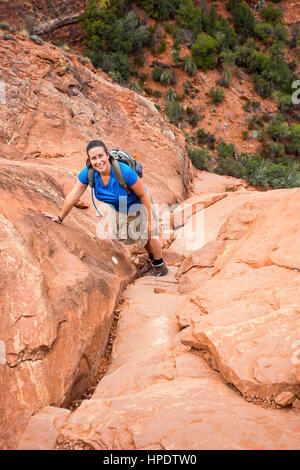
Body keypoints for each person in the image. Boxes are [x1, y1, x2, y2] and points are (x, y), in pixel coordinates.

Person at [42, 140, 168, 277]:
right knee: (133, 235)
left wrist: (150, 221)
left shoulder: (124, 171)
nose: (98, 161)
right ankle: (151, 258)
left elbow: (143, 195)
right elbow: (73, 196)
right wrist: (60, 217)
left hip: (138, 203)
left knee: (149, 233)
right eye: (93, 158)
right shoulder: (89, 173)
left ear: (107, 155)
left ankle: (160, 266)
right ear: (89, 160)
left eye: (101, 156)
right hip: (120, 207)